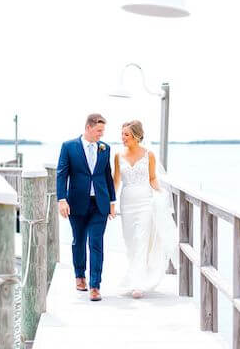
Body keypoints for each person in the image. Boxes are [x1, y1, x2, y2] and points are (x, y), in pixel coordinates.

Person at [114, 120, 177, 299]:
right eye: (122, 134)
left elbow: (152, 178)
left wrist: (161, 192)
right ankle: (134, 275)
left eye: (126, 134)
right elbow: (116, 181)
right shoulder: (118, 156)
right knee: (130, 241)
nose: (123, 138)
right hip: (126, 203)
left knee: (141, 240)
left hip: (145, 203)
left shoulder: (149, 155)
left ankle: (138, 284)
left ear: (136, 136)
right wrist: (111, 204)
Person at [56, 113, 116, 301]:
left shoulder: (105, 149)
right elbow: (61, 174)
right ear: (88, 127)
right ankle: (79, 275)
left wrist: (112, 202)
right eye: (99, 130)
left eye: (103, 131)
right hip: (77, 203)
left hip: (100, 203)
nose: (101, 134)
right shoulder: (69, 147)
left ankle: (95, 285)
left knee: (96, 242)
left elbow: (107, 176)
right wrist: (61, 199)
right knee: (79, 240)